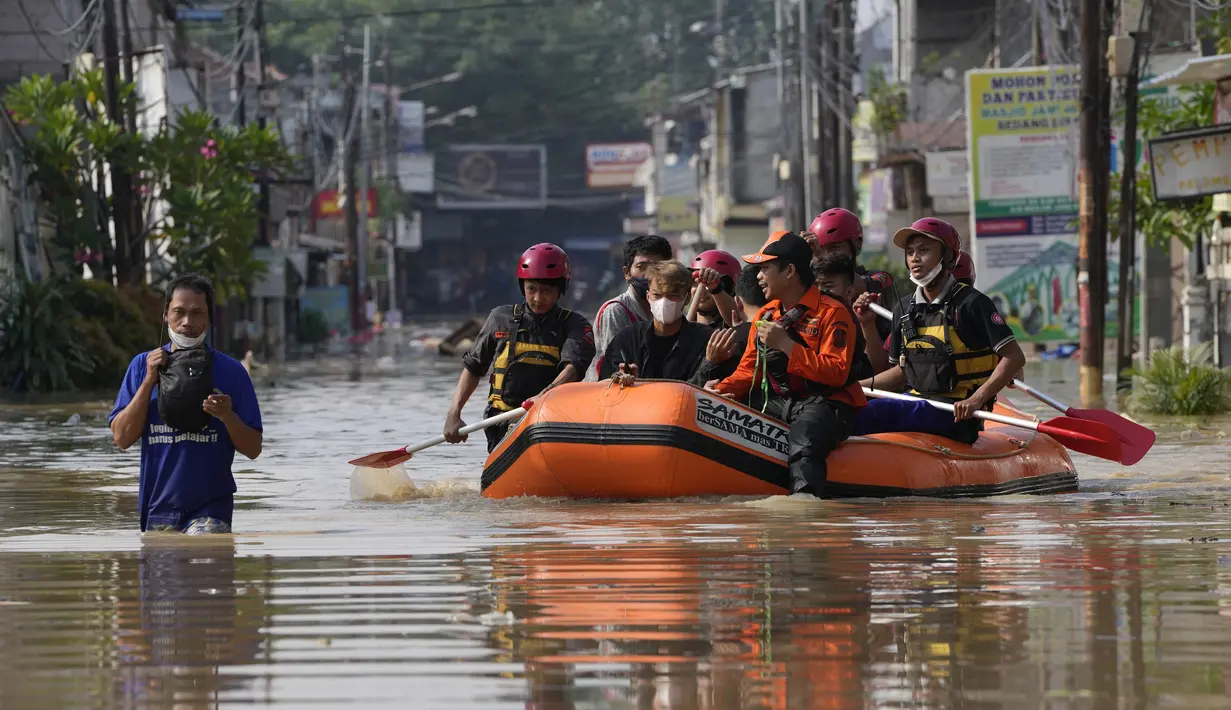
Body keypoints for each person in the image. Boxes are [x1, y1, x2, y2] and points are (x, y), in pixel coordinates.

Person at [707, 232, 866, 496]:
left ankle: (804, 502)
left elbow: (836, 373)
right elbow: (749, 370)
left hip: (828, 402)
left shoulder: (833, 313)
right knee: (727, 415)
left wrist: (787, 346)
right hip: (782, 399)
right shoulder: (766, 314)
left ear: (790, 271)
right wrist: (719, 392)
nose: (758, 276)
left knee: (804, 436)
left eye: (765, 268)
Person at [109, 274, 263, 535]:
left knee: (204, 564)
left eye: (197, 313)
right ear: (165, 315)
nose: (187, 322)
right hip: (157, 508)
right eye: (179, 312)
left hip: (211, 510)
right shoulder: (141, 366)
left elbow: (253, 449)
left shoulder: (232, 372)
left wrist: (227, 417)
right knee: (159, 573)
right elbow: (122, 438)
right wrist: (148, 382)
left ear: (209, 319)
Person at [855, 218, 1026, 444]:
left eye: (924, 250)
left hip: (957, 414)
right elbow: (902, 372)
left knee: (871, 414)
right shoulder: (904, 308)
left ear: (947, 256)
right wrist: (854, 388)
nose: (915, 258)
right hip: (918, 402)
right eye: (910, 252)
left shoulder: (972, 303)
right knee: (848, 407)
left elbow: (1014, 357)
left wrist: (976, 400)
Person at [445, 243, 596, 452]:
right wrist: (454, 414)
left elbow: (573, 368)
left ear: (561, 289)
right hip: (501, 421)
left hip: (550, 422)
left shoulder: (576, 325)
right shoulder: (500, 318)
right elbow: (473, 366)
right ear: (522, 286)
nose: (537, 298)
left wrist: (542, 398)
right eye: (531, 289)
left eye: (547, 291)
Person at [806, 208, 900, 374]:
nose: (828, 255)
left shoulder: (879, 277)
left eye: (834, 248)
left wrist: (822, 258)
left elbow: (859, 284)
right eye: (821, 249)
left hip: (874, 366)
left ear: (856, 244)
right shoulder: (812, 283)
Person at [599, 260, 722, 383]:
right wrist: (622, 380)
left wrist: (709, 365)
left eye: (673, 295)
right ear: (648, 297)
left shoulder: (706, 341)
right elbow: (604, 386)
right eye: (657, 295)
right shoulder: (628, 339)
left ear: (687, 298)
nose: (664, 302)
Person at [586, 234, 673, 381]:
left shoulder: (667, 308)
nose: (649, 275)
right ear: (627, 273)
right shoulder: (616, 311)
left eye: (656, 267)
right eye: (641, 267)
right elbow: (617, 366)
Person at [690, 264, 768, 389]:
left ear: (736, 301)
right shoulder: (785, 332)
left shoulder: (726, 343)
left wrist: (710, 364)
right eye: (695, 284)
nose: (703, 291)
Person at [812, 253, 874, 381]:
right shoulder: (806, 318)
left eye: (828, 287)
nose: (820, 293)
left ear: (849, 292)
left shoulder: (850, 323)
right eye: (816, 286)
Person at [686, 249, 742, 328]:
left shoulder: (737, 331)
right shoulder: (679, 326)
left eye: (709, 283)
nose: (701, 290)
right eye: (695, 282)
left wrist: (716, 289)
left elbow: (736, 320)